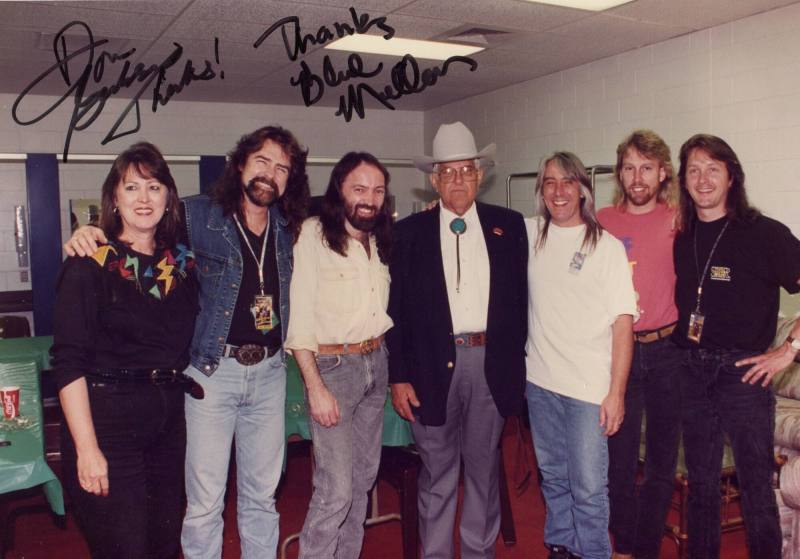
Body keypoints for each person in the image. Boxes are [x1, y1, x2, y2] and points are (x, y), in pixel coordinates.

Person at [63, 125, 310, 559]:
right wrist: (88, 235)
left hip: (264, 376)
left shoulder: (289, 229)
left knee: (260, 499)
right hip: (209, 375)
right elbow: (71, 354)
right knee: (201, 507)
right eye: (261, 161)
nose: (270, 173)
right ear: (238, 164)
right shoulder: (197, 217)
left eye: (282, 167)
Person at [387, 121, 528, 558]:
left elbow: (523, 300)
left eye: (466, 170)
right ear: (433, 180)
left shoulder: (510, 226)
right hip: (430, 368)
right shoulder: (408, 235)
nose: (458, 180)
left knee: (484, 471)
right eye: (448, 172)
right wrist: (399, 376)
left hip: (490, 366)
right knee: (438, 473)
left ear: (479, 174)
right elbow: (397, 313)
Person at [52, 142, 198, 558]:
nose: (144, 198)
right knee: (124, 549)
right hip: (108, 425)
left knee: (165, 546)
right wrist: (87, 449)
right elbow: (68, 364)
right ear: (114, 198)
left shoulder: (181, 266)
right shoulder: (89, 263)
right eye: (131, 187)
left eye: (154, 187)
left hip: (168, 423)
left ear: (169, 196)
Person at [672, 133, 800, 559]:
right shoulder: (682, 235)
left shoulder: (764, 233)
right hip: (691, 369)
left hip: (743, 373)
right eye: (694, 170)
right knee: (702, 487)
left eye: (713, 169)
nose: (703, 179)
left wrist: (790, 349)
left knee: (755, 490)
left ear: (731, 177)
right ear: (683, 180)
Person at [526, 151, 636, 559]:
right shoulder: (529, 234)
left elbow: (623, 325)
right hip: (539, 384)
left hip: (589, 390)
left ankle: (592, 553)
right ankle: (562, 547)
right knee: (554, 479)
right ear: (541, 190)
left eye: (568, 182)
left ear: (583, 190)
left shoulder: (605, 247)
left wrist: (617, 393)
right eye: (550, 182)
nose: (559, 191)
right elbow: (477, 230)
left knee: (589, 487)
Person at [285, 152, 393, 558]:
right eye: (359, 188)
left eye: (378, 190)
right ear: (339, 190)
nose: (370, 198)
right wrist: (315, 387)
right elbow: (298, 321)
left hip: (375, 363)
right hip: (333, 370)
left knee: (363, 482)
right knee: (336, 490)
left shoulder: (380, 239)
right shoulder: (312, 235)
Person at [597, 130, 683, 559]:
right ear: (620, 173)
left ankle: (646, 547)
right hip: (619, 353)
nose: (637, 176)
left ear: (663, 173)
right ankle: (624, 547)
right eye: (629, 167)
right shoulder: (601, 220)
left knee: (662, 464)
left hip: (669, 352)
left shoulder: (679, 220)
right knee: (620, 460)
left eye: (646, 167)